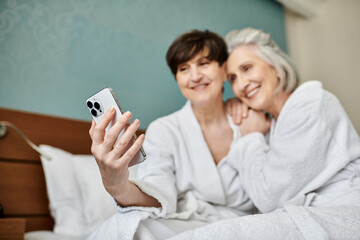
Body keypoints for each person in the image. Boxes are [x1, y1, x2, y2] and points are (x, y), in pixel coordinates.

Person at [168, 28, 360, 240]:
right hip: (312, 214)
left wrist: (250, 137)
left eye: (247, 68)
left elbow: (269, 198)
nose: (241, 85)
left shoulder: (311, 104)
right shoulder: (273, 122)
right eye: (233, 78)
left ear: (276, 67)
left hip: (344, 213)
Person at [87, 30, 256, 240]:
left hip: (251, 223)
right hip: (195, 223)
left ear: (224, 70)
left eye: (204, 63)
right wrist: (116, 185)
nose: (194, 76)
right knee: (130, 226)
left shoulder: (252, 117)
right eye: (184, 68)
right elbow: (159, 191)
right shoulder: (164, 129)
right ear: (177, 78)